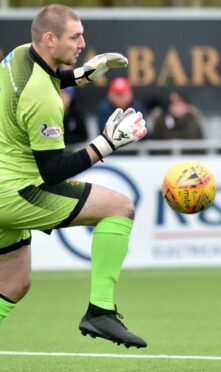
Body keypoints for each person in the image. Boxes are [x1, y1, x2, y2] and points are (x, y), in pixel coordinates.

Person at [0, 4, 148, 348]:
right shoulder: (43, 99)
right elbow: (52, 173)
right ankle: (100, 311)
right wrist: (105, 145)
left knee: (14, 283)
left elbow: (50, 76)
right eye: (75, 36)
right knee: (120, 208)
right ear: (50, 39)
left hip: (3, 183)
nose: (83, 42)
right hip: (18, 191)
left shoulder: (21, 55)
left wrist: (84, 73)